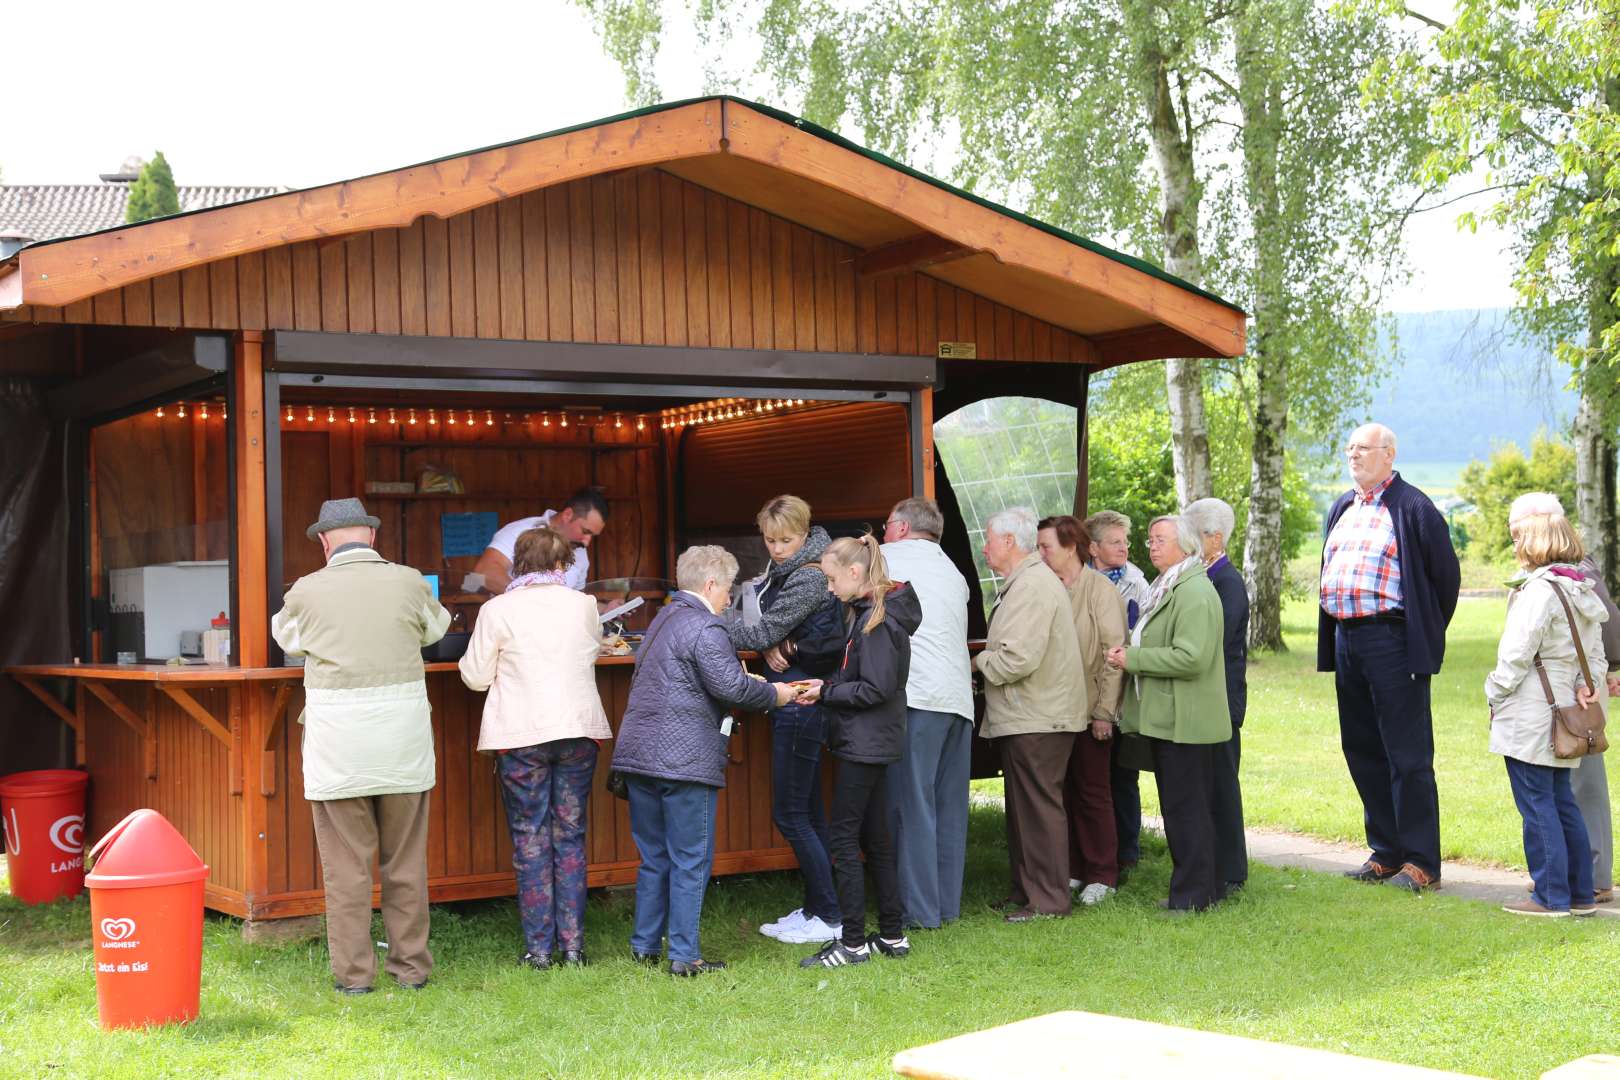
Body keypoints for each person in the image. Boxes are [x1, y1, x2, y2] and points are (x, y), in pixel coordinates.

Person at [270, 498, 451, 994]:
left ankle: (354, 978)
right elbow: (438, 629)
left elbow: (286, 642)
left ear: (325, 542)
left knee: (347, 872)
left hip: (338, 750)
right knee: (405, 865)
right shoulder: (409, 581)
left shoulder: (305, 591)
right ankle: (411, 970)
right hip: (403, 745)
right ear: (370, 537)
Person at [611, 546, 798, 975]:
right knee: (690, 859)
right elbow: (732, 689)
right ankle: (684, 956)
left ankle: (644, 946)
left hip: (640, 758)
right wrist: (778, 694)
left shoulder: (662, 620)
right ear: (710, 584)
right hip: (684, 761)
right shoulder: (705, 627)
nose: (729, 600)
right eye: (728, 590)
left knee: (654, 857)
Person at [457, 526, 611, 970]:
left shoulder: (498, 608)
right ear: (563, 565)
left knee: (530, 839)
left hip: (521, 736)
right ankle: (574, 947)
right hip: (578, 731)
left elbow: (474, 677)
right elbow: (591, 654)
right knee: (571, 837)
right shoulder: (584, 605)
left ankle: (540, 951)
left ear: (518, 563)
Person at [1319, 423, 1460, 893]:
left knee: (1407, 754)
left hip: (1392, 641)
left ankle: (1422, 863)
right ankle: (1386, 852)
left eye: (1363, 448)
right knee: (1361, 747)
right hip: (1348, 640)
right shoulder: (1343, 505)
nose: (1353, 455)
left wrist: (1420, 632)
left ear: (1389, 454)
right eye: (1350, 448)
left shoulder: (1414, 506)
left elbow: (1445, 579)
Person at [795, 535, 922, 967]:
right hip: (873, 741)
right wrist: (827, 688)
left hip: (864, 744)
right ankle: (892, 935)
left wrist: (826, 691)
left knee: (844, 839)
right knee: (878, 839)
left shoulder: (879, 622)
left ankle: (852, 944)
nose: (829, 589)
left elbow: (875, 688)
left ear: (855, 572)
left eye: (832, 579)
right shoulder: (870, 614)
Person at [726, 495, 846, 945]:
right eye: (770, 540)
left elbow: (761, 631)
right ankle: (819, 907)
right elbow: (769, 635)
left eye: (785, 540)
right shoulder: (800, 568)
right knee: (809, 811)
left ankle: (829, 915)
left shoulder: (808, 577)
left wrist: (705, 619)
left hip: (800, 701)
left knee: (792, 813)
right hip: (801, 697)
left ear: (805, 532)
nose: (776, 549)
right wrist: (771, 643)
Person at [1105, 514, 1229, 913]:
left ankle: (1192, 896)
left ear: (1186, 545)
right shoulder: (1169, 585)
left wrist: (1133, 659)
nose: (1151, 546)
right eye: (1151, 538)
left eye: (1160, 539)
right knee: (1184, 807)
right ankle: (1200, 890)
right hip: (1174, 719)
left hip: (1186, 722)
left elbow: (1191, 657)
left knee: (1185, 809)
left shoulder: (1193, 591)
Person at [1484, 505, 1602, 917]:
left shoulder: (1537, 591)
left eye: (1520, 538)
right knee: (1560, 802)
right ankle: (1580, 894)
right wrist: (1588, 686)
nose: (1516, 545)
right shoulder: (1579, 588)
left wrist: (1493, 692)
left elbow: (1516, 654)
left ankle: (1549, 897)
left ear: (1537, 543)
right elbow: (1596, 655)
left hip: (1532, 708)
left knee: (1537, 804)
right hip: (1565, 707)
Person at [974, 506, 1088, 922]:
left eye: (988, 539)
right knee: (1025, 811)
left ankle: (1048, 901)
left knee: (1038, 811)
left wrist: (978, 663)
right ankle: (1029, 893)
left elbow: (1016, 659)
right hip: (1032, 715)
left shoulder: (1032, 586)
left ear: (1008, 542)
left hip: (1039, 717)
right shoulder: (1027, 583)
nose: (984, 548)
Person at [881, 498, 975, 929]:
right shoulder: (954, 572)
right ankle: (945, 905)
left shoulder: (886, 557)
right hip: (958, 698)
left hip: (916, 695)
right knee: (948, 806)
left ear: (900, 528)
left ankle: (919, 913)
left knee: (912, 805)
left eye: (885, 526)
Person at [1036, 514, 1126, 906]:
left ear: (1071, 547)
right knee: (1063, 792)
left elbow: (1113, 653)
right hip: (1053, 712)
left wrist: (1104, 712)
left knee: (1093, 792)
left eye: (1046, 547)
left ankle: (1103, 872)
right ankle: (1073, 868)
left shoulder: (1099, 590)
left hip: (1090, 710)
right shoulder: (1043, 587)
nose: (1039, 554)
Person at [1183, 497, 1250, 894]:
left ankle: (1230, 870)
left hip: (1222, 699)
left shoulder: (1227, 582)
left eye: (1192, 534)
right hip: (1209, 697)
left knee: (1222, 783)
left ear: (1215, 538)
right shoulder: (1205, 576)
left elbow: (1216, 641)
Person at [1085, 509, 1151, 878]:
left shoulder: (1137, 584)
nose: (1124, 547)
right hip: (1084, 690)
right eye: (1115, 541)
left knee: (1122, 776)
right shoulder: (1075, 581)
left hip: (1122, 691)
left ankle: (1127, 851)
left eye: (1126, 541)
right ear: (1093, 547)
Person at [474, 487, 610, 593]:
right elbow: (484, 572)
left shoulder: (581, 552)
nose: (587, 542)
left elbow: (575, 600)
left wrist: (605, 608)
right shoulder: (520, 531)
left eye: (593, 536)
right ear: (568, 515)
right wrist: (529, 600)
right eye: (585, 531)